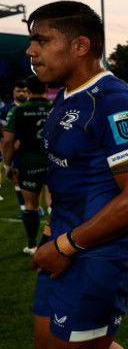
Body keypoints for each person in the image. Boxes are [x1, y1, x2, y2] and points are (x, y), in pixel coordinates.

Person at [27, 1, 128, 349]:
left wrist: (66, 246)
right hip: (64, 242)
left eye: (41, 40)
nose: (31, 50)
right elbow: (68, 178)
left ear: (80, 46)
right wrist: (51, 234)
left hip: (101, 254)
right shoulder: (67, 96)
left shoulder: (115, 103)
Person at [2, 75, 52, 255]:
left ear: (28, 91)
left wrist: (8, 166)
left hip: (28, 163)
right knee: (54, 204)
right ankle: (56, 243)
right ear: (47, 89)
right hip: (54, 163)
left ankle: (32, 245)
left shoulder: (18, 111)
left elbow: (7, 143)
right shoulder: (56, 108)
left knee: (31, 206)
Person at [0, 80, 28, 210]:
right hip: (15, 149)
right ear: (14, 92)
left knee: (41, 179)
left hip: (33, 148)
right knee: (17, 177)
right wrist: (11, 143)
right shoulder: (6, 110)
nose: (21, 94)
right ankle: (24, 208)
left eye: (24, 91)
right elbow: (3, 130)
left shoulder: (32, 106)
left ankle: (38, 206)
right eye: (19, 91)